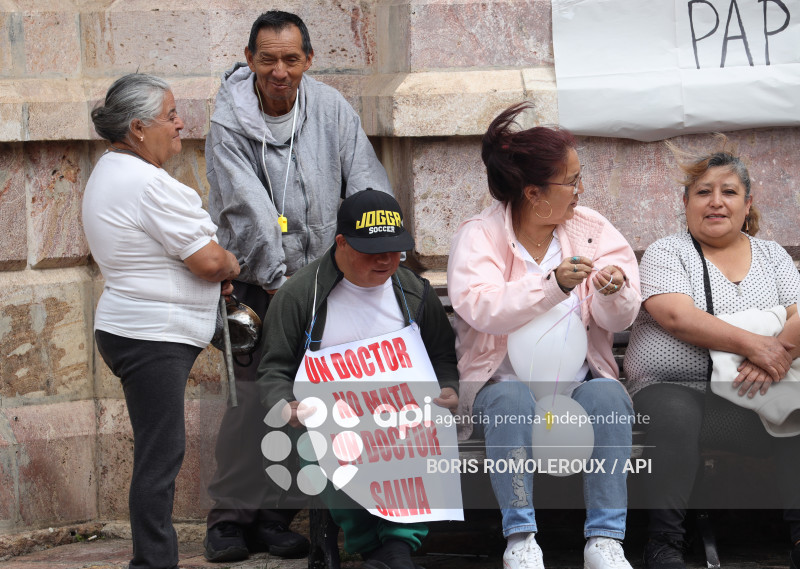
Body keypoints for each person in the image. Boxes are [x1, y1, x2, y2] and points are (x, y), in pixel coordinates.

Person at [203, 10, 392, 562]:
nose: (279, 70)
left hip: (330, 281)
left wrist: (365, 253)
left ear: (307, 60)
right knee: (251, 405)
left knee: (307, 403)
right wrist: (288, 286)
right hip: (262, 285)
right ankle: (229, 521)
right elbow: (250, 212)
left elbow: (364, 184)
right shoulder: (228, 122)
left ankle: (275, 517)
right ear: (250, 60)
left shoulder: (331, 107)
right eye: (268, 59)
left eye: (291, 59)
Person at [447, 102, 642, 569]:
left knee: (611, 400)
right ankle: (521, 538)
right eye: (570, 181)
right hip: (500, 385)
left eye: (579, 176)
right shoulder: (480, 235)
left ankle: (605, 540)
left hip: (578, 382)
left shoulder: (591, 229)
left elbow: (623, 318)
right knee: (512, 402)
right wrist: (552, 285)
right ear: (534, 193)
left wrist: (614, 290)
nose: (580, 190)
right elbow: (479, 306)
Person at [82, 73, 241, 569]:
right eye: (170, 115)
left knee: (159, 454)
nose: (180, 124)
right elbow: (210, 262)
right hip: (150, 337)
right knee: (160, 458)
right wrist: (230, 265)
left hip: (135, 330)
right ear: (136, 127)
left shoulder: (111, 169)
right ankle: (152, 563)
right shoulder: (147, 183)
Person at [258, 189, 459, 569]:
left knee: (418, 439)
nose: (386, 259)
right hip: (331, 419)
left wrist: (448, 388)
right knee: (332, 444)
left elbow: (442, 355)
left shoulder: (413, 291)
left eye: (395, 249)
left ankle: (396, 549)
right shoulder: (301, 294)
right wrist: (285, 404)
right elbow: (274, 368)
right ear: (342, 243)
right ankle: (377, 549)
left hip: (402, 417)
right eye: (373, 251)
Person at [623, 142, 800, 569]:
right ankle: (663, 544)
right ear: (685, 203)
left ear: (748, 202)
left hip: (753, 394)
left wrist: (771, 358)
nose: (716, 202)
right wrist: (755, 346)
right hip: (672, 388)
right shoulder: (668, 252)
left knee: (799, 418)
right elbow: (678, 317)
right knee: (676, 413)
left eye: (729, 192)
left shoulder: (774, 256)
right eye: (703, 192)